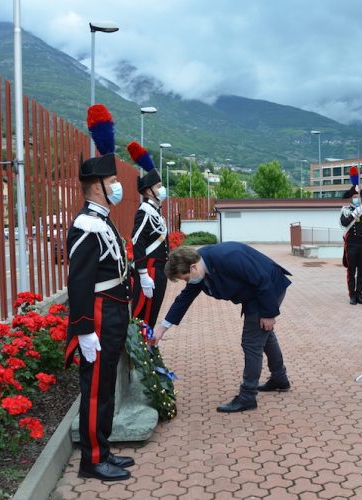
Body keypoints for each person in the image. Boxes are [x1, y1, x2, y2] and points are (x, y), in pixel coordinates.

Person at [63, 104, 134, 482]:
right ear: (98, 186)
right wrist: (84, 330)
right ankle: (91, 460)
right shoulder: (88, 226)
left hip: (114, 311)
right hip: (100, 315)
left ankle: (102, 449)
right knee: (95, 389)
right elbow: (80, 282)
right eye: (112, 182)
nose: (117, 187)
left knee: (105, 386)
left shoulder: (101, 221)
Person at [150, 243, 292, 413]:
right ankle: (279, 378)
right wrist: (162, 328)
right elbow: (184, 299)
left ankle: (247, 396)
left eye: (186, 278)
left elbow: (262, 278)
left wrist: (268, 313)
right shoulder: (198, 268)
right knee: (264, 335)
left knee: (251, 343)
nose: (188, 282)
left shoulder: (227, 257)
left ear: (193, 267)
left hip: (268, 289)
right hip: (255, 293)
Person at [126, 141, 169, 328]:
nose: (161, 189)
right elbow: (137, 241)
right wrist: (143, 274)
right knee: (144, 316)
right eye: (158, 186)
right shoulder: (145, 211)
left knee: (152, 314)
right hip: (150, 271)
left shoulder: (155, 212)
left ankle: (148, 348)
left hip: (158, 270)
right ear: (148, 191)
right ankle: (144, 350)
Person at [340, 166, 362, 305]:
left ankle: (360, 294)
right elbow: (344, 223)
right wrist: (354, 214)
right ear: (351, 197)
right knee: (351, 271)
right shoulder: (346, 210)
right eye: (355, 197)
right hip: (351, 244)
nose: (357, 198)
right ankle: (352, 295)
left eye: (358, 196)